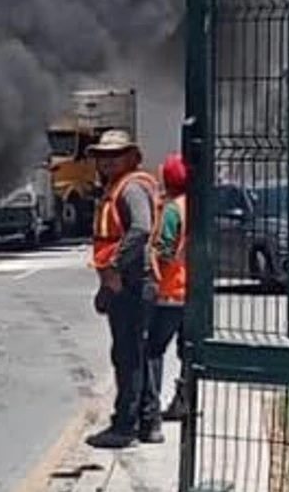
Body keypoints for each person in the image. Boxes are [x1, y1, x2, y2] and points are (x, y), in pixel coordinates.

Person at [85, 129, 158, 449]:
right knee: (134, 354)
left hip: (131, 283)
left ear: (131, 158)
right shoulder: (117, 189)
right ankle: (147, 420)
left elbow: (141, 229)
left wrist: (114, 266)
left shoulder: (130, 189)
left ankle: (126, 425)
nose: (107, 162)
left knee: (128, 357)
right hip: (123, 285)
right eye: (103, 157)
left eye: (115, 156)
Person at [145, 153, 189, 427]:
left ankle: (151, 410)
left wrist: (150, 264)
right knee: (188, 351)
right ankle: (185, 401)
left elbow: (165, 249)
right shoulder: (196, 205)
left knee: (153, 349)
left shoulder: (173, 209)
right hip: (193, 293)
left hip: (169, 291)